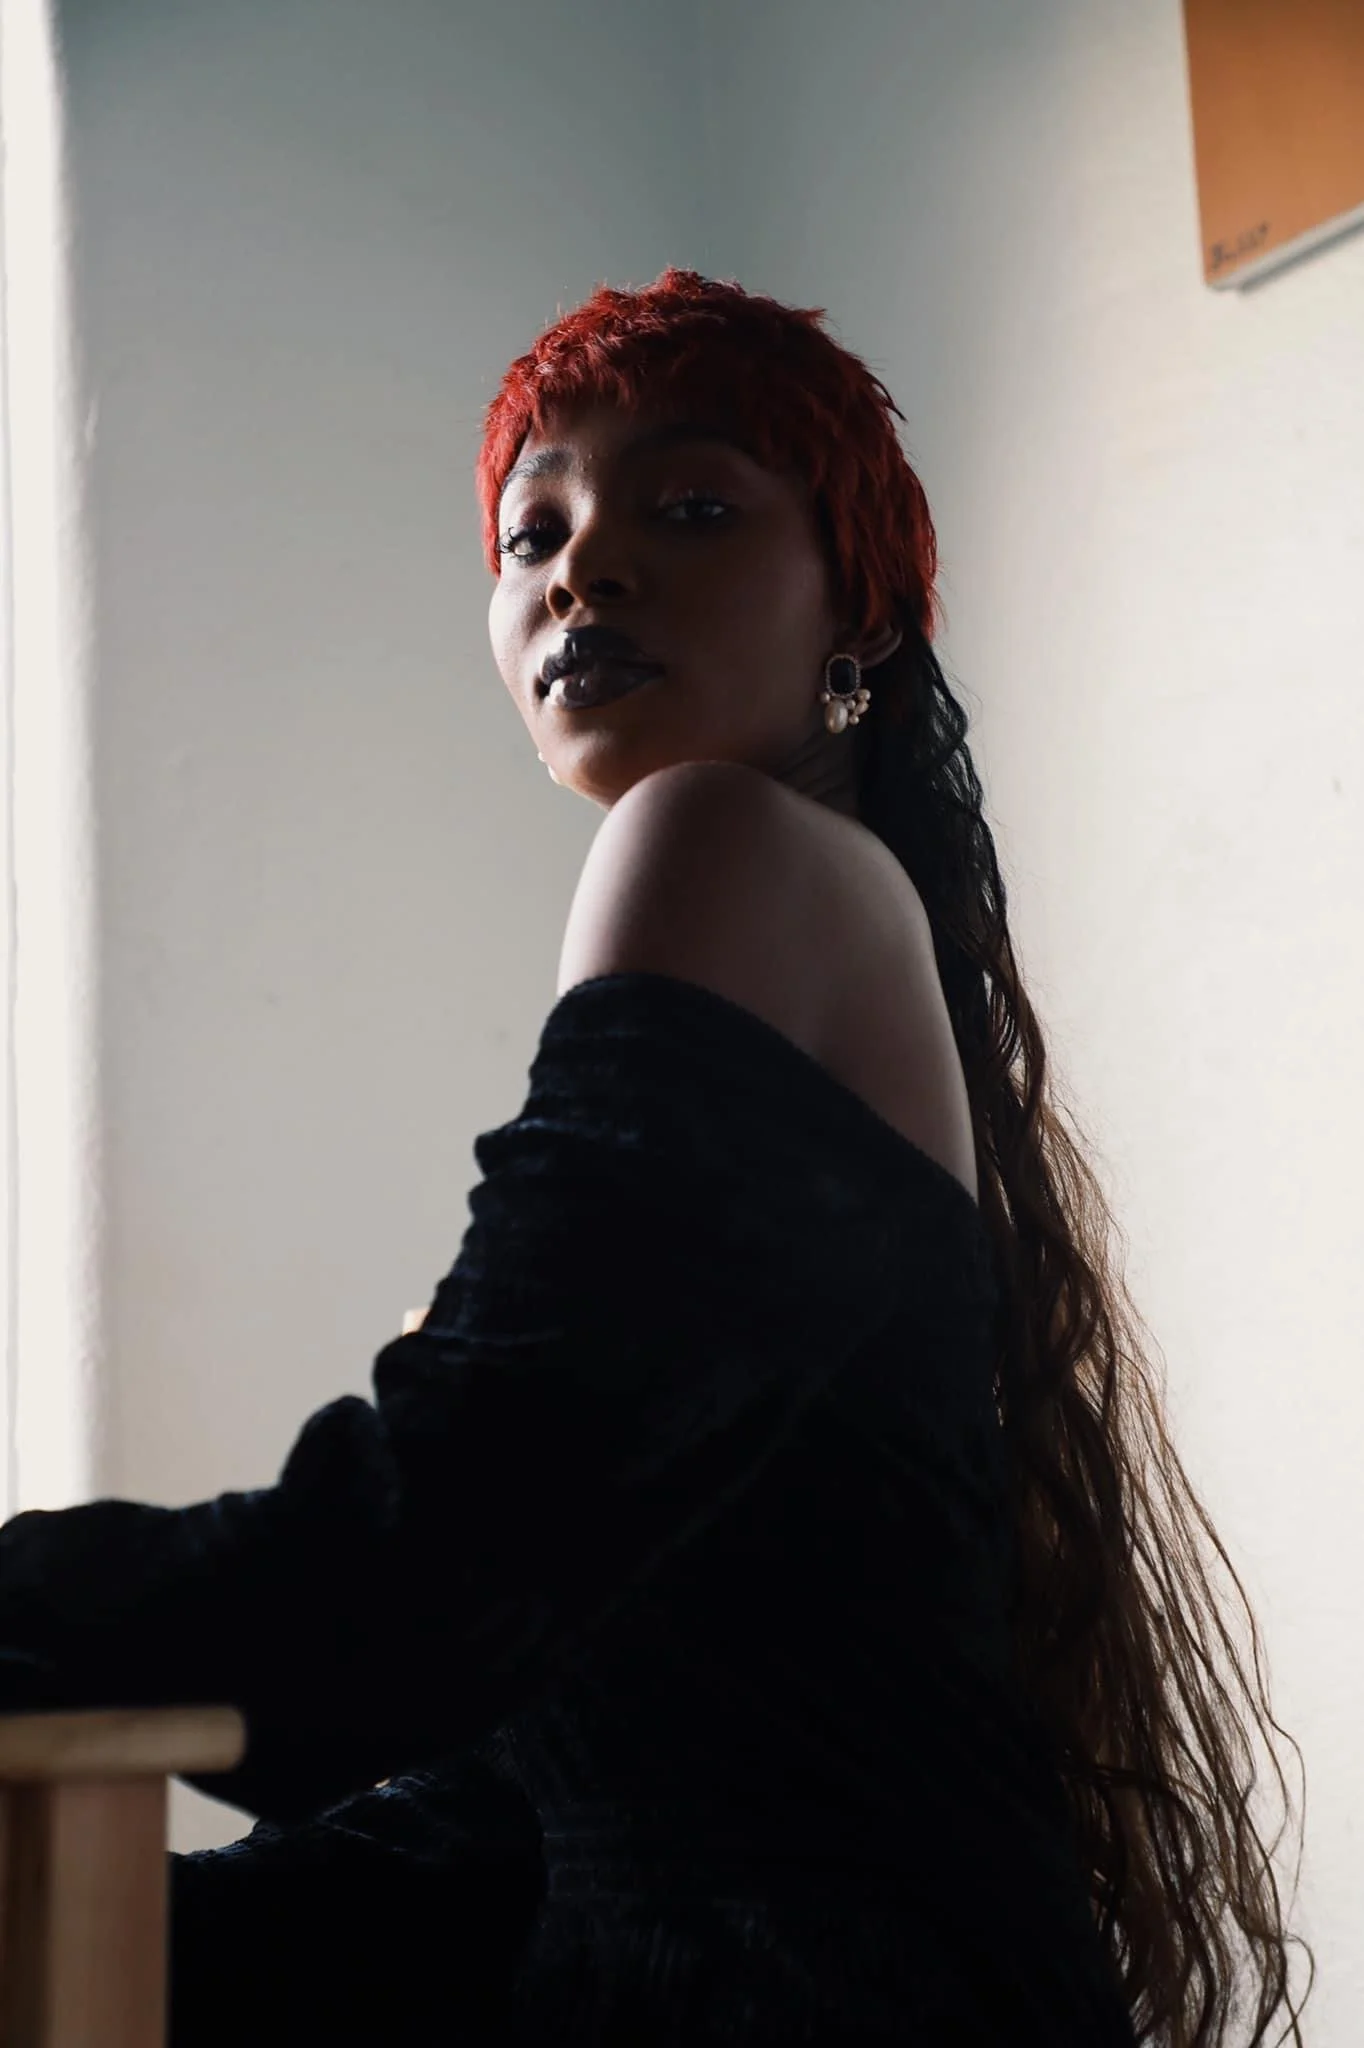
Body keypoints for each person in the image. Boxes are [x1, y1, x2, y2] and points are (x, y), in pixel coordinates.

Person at [0, 270, 1311, 2046]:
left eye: (690, 506)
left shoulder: (727, 845)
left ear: (861, 610)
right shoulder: (800, 926)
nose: (581, 567)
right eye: (533, 526)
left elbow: (440, 1563)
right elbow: (526, 1812)